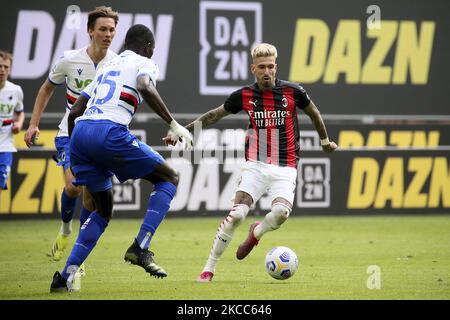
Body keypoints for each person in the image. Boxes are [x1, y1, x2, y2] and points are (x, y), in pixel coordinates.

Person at [164, 43, 338, 282]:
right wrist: (181, 132)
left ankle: (256, 233)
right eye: (261, 67)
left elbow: (314, 113)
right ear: (253, 69)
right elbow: (213, 115)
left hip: (286, 165)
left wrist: (325, 141)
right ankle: (209, 268)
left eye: (270, 67)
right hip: (255, 164)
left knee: (281, 213)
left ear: (276, 67)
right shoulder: (243, 96)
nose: (267, 72)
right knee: (236, 215)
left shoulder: (293, 91)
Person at [49, 24, 193, 292]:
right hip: (109, 131)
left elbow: (75, 111)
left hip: (80, 134)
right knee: (170, 178)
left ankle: (63, 278)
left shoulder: (106, 66)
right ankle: (140, 247)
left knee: (102, 211)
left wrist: (76, 154)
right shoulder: (144, 63)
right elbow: (143, 85)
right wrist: (173, 123)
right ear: (149, 48)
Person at [23, 6, 119, 266]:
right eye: (103, 29)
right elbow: (46, 90)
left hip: (100, 136)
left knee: (91, 196)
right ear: (90, 31)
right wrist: (33, 125)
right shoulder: (69, 59)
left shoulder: (118, 64)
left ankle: (78, 258)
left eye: (111, 30)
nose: (108, 34)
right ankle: (65, 229)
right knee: (73, 186)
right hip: (71, 133)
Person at [0, 51, 25, 200]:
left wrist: (19, 123)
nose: (2, 70)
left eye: (5, 66)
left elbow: (19, 112)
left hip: (5, 147)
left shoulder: (15, 91)